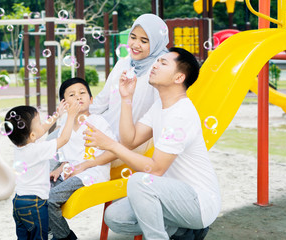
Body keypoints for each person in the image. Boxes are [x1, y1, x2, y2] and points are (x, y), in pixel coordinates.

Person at [83, 47, 221, 239]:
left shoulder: (181, 115)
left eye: (163, 63)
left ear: (179, 78)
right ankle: (184, 231)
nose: (155, 64)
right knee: (115, 216)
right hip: (170, 196)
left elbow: (155, 170)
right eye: (157, 61)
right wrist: (126, 98)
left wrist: (110, 145)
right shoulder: (160, 106)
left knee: (140, 181)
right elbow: (129, 140)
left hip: (198, 202)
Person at [64, 13, 170, 177]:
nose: (135, 44)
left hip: (130, 143)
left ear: (156, 42)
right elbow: (101, 102)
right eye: (133, 37)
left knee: (69, 152)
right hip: (105, 129)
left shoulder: (159, 72)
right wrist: (74, 117)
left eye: (144, 41)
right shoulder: (124, 63)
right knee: (58, 137)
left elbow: (158, 119)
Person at [47, 77, 116, 240]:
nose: (78, 97)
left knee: (51, 199)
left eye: (82, 93)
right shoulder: (65, 126)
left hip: (92, 173)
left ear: (91, 99)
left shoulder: (97, 122)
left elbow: (113, 151)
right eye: (71, 95)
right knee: (39, 193)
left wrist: (84, 165)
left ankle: (65, 236)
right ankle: (51, 233)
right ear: (64, 104)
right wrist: (60, 166)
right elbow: (67, 156)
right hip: (70, 171)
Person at [5, 102, 80, 240]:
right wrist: (71, 116)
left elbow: (41, 131)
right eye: (39, 123)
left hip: (19, 202)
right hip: (35, 203)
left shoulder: (21, 146)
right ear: (32, 135)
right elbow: (64, 139)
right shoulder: (37, 150)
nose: (42, 125)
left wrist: (57, 115)